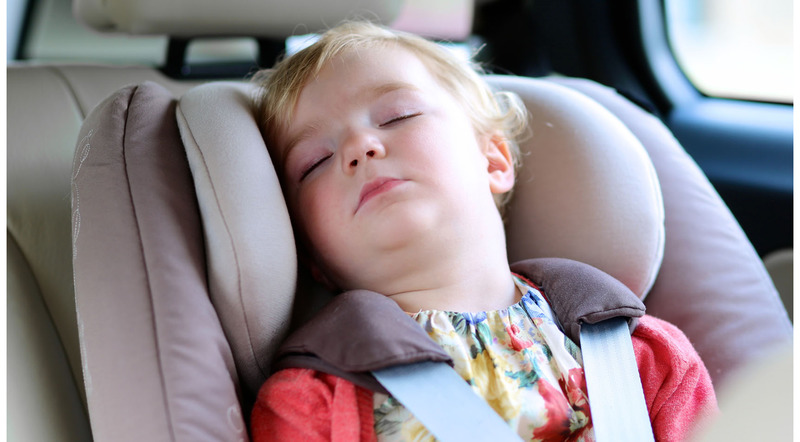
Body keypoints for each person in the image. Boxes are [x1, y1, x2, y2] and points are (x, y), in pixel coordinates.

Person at [249, 21, 716, 441]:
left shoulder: (646, 359)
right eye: (315, 162)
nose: (359, 147)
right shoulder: (310, 404)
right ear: (312, 254)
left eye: (397, 116)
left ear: (492, 160)